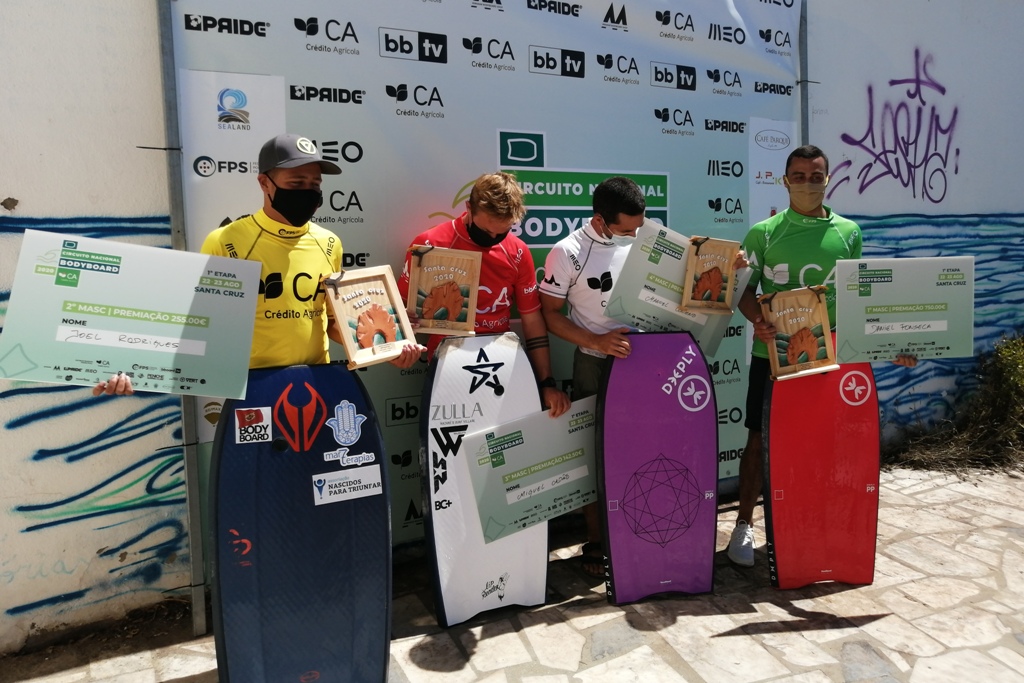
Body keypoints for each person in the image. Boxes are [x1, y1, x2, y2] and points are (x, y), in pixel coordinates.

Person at [93, 133, 423, 395]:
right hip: (255, 387)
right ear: (264, 183)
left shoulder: (330, 242)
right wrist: (132, 366)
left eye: (314, 184)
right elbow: (197, 322)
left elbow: (334, 324)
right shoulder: (226, 241)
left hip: (318, 380)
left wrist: (388, 344)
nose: (308, 191)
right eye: (296, 184)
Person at [728, 144, 916, 567]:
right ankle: (742, 525)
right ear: (785, 181)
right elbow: (742, 292)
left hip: (829, 356)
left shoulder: (849, 233)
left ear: (828, 180)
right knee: (758, 439)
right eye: (799, 176)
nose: (808, 184)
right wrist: (759, 320)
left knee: (822, 442)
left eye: (816, 177)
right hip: (771, 355)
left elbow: (859, 299)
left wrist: (892, 346)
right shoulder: (763, 233)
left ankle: (813, 521)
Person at [392, 172, 569, 418]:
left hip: (502, 364)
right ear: (468, 208)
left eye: (503, 232)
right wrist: (397, 347)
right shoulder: (430, 244)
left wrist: (546, 383)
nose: (493, 239)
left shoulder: (517, 251)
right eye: (487, 230)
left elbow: (532, 320)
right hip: (447, 364)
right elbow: (399, 309)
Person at [538, 176, 647, 576]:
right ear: (600, 221)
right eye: (625, 229)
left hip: (645, 360)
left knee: (642, 451)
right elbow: (550, 315)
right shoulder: (566, 252)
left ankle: (637, 532)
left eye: (639, 227)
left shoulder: (644, 238)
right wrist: (596, 341)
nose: (634, 235)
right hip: (594, 363)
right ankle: (598, 543)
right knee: (596, 454)